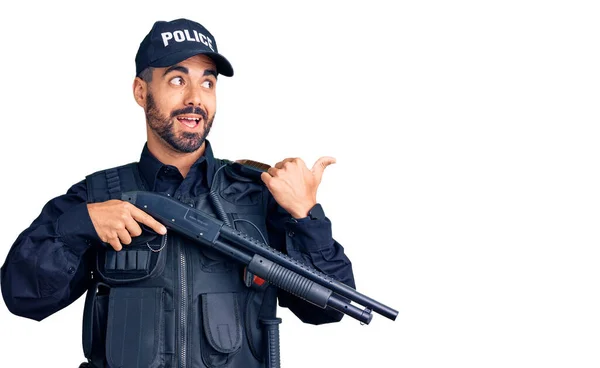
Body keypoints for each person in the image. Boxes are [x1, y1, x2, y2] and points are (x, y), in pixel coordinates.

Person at [0, 18, 355, 368]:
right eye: (177, 80)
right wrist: (81, 225)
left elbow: (332, 308)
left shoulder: (259, 194)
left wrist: (306, 215)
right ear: (141, 91)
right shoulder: (98, 195)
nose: (195, 99)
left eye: (208, 83)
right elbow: (23, 298)